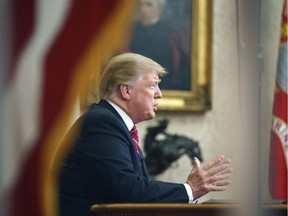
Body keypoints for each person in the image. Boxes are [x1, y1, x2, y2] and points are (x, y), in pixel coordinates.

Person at [52, 53, 233, 216]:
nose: (159, 94)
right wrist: (190, 189)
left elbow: (133, 194)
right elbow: (127, 191)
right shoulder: (102, 123)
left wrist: (189, 191)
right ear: (126, 90)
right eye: (153, 85)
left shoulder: (114, 124)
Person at [127, 0, 191, 91]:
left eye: (148, 5)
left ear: (160, 9)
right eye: (141, 5)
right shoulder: (130, 32)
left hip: (164, 87)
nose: (143, 9)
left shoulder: (171, 34)